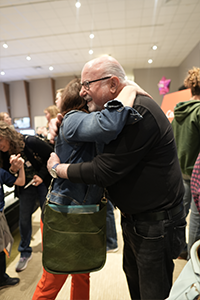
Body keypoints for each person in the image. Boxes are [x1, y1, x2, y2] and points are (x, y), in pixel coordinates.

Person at [48, 55, 186, 300]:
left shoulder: (137, 112)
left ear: (112, 84)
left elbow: (104, 170)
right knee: (137, 285)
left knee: (152, 292)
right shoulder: (120, 111)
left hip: (155, 225)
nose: (82, 92)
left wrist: (59, 169)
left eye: (87, 85)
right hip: (137, 221)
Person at [32, 78, 143, 300]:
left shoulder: (80, 118)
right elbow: (110, 125)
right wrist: (130, 90)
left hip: (82, 210)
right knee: (54, 276)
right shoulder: (74, 118)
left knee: (82, 272)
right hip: (65, 211)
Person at [0, 121, 53, 272]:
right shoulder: (3, 153)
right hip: (25, 187)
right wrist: (13, 169)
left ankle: (51, 249)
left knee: (47, 217)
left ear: (6, 135)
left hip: (43, 183)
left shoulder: (30, 141)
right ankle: (24, 251)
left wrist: (41, 176)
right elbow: (8, 176)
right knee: (23, 218)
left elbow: (53, 156)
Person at [171, 67, 200, 259]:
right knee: (196, 217)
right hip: (196, 172)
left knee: (180, 213)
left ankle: (180, 248)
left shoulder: (179, 109)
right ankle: (193, 258)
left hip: (179, 169)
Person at [0, 154, 25, 290]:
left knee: (2, 244)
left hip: (0, 214)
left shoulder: (1, 173)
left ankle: (2, 278)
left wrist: (20, 167)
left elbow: (20, 182)